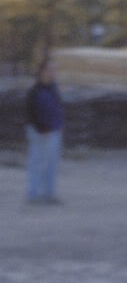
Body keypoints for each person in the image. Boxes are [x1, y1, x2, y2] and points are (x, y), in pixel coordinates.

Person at [24, 57, 64, 205]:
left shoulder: (53, 88)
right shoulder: (35, 91)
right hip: (39, 132)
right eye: (50, 69)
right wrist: (41, 128)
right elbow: (31, 113)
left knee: (51, 165)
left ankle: (49, 193)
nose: (53, 72)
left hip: (53, 131)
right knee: (37, 163)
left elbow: (57, 108)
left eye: (54, 70)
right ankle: (33, 194)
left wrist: (59, 126)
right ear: (42, 71)